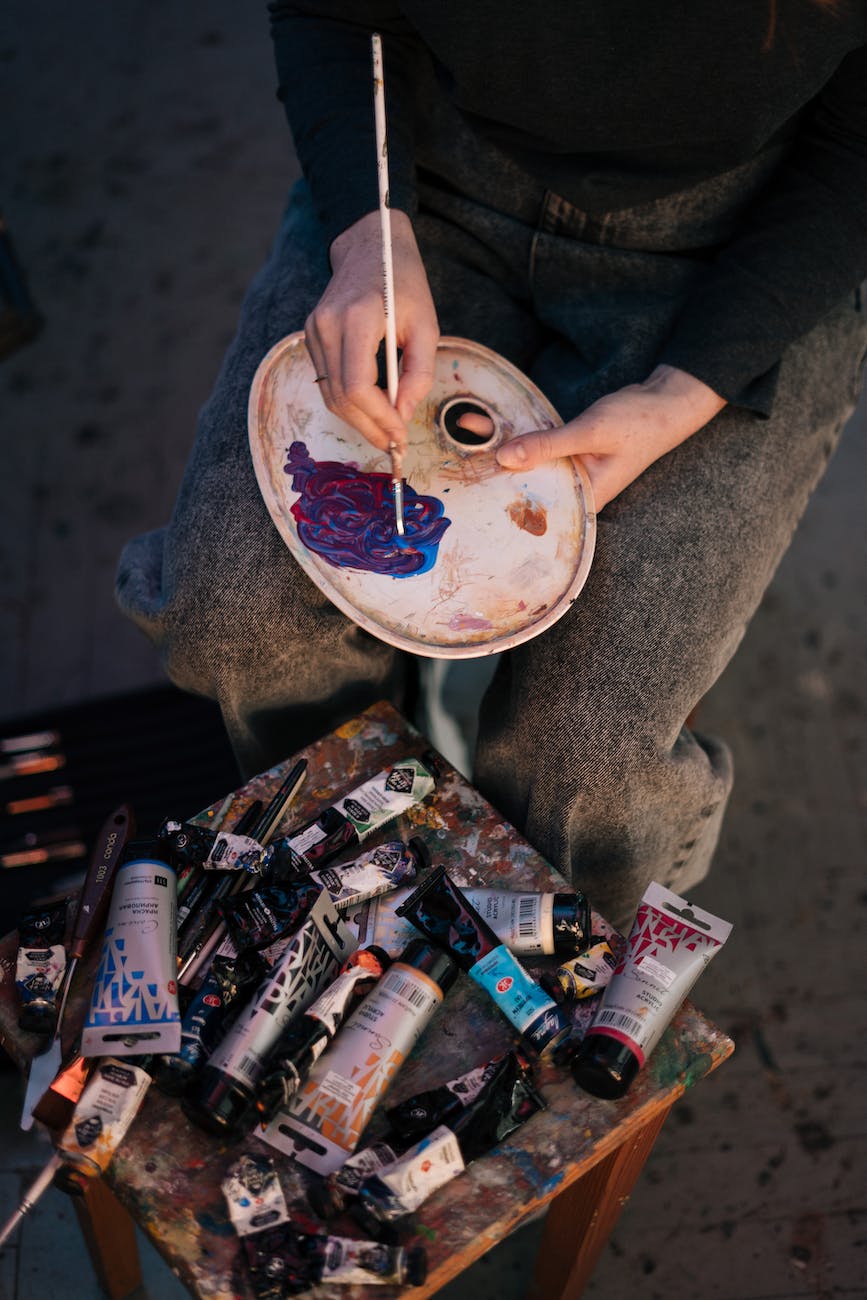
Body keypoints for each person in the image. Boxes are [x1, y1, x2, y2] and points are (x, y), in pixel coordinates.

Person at [116, 3, 867, 933]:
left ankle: (576, 947)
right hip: (430, 184)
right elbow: (327, 11)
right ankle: (364, 868)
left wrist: (690, 389)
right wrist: (366, 231)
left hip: (744, 245)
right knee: (237, 619)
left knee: (582, 758)